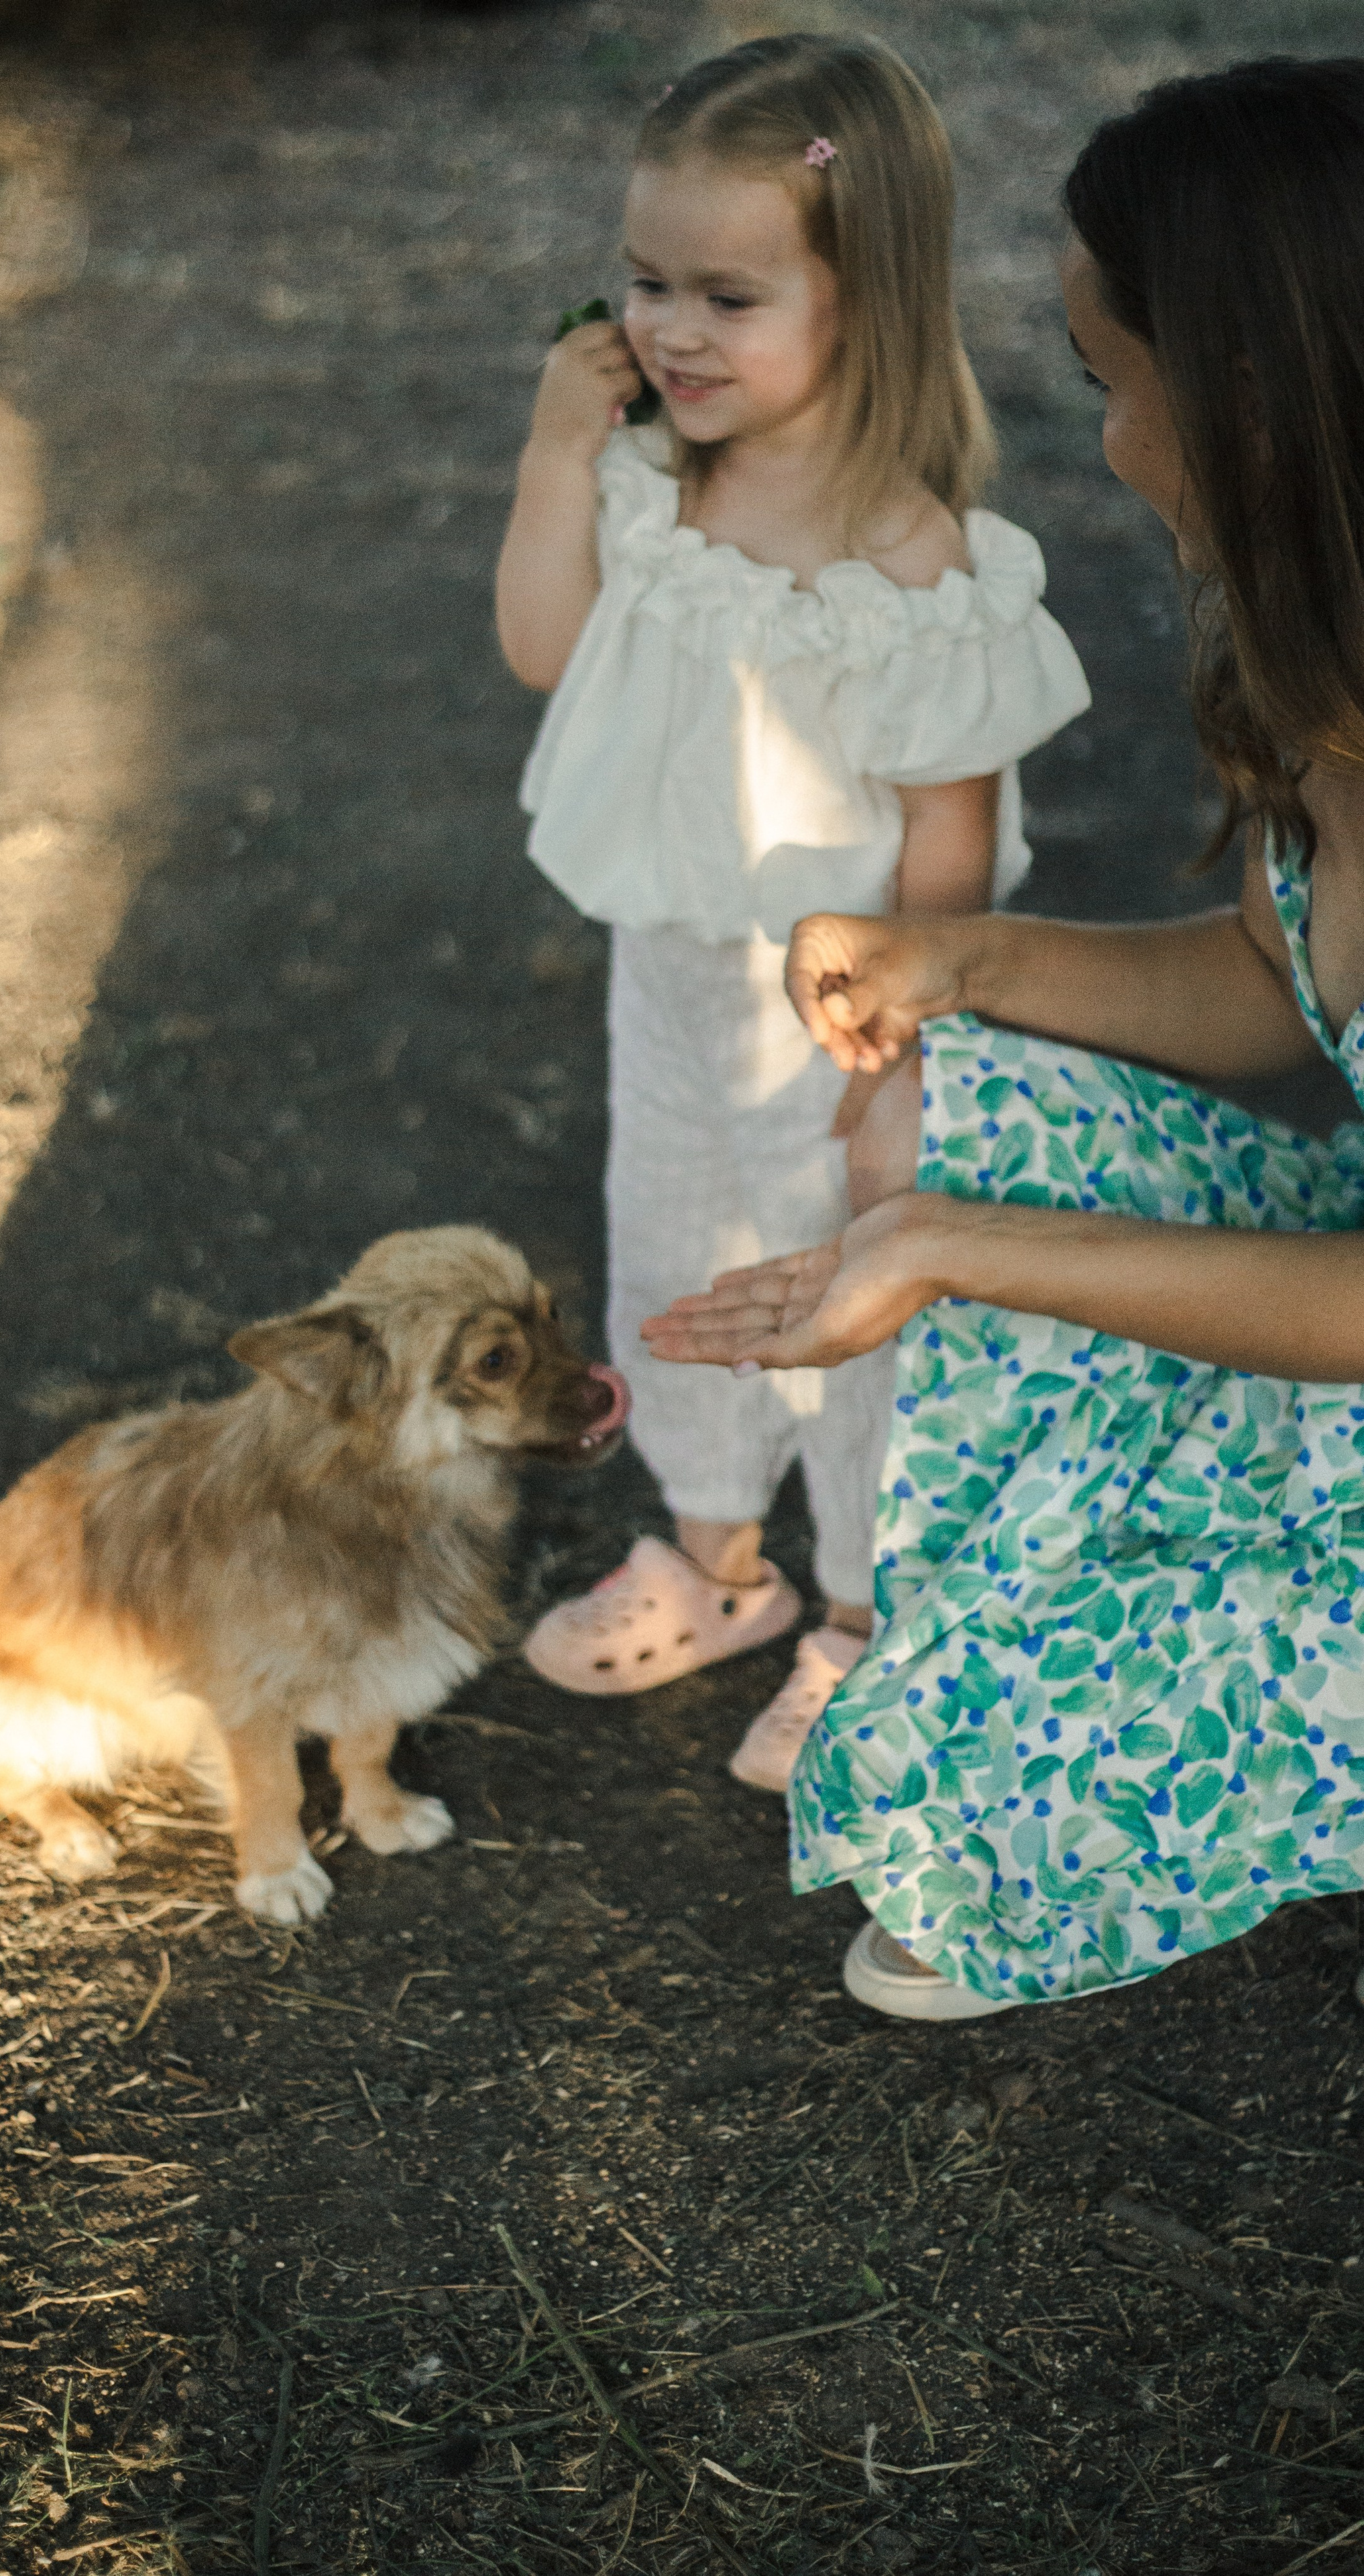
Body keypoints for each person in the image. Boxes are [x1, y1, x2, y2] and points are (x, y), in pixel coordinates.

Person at [643, 54, 1364, 2019]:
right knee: (947, 1107)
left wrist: (956, 1250)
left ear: (1270, 401)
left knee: (1002, 1828)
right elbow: (1281, 985)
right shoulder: (1333, 676)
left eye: (1117, 376)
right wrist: (970, 960)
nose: (1107, 432)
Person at [495, 34, 1088, 1779]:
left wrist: (909, 1037)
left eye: (730, 295)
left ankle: (861, 1612)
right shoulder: (652, 490)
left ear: (865, 298)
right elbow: (544, 651)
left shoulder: (910, 565)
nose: (671, 329)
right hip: (667, 976)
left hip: (834, 1019)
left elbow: (952, 833)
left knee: (842, 1294)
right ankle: (718, 1555)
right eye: (648, 283)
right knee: (673, 1251)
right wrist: (551, 452)